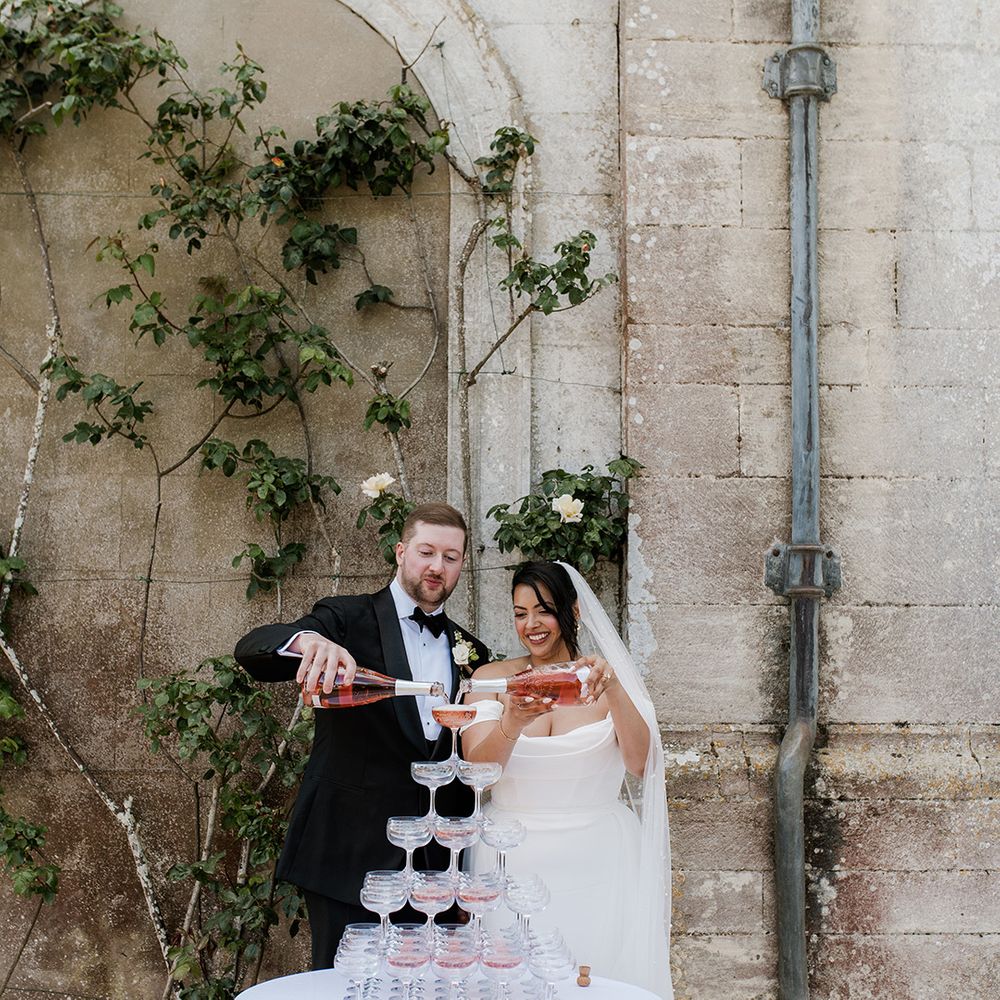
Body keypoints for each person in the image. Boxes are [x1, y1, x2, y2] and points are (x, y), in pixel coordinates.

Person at [234, 502, 490, 969]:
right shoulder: (345, 619)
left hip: (433, 874)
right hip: (348, 859)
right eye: (426, 552)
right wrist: (309, 642)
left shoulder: (472, 651)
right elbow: (254, 650)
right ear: (400, 552)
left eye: (450, 557)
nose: (437, 567)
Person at [462, 561, 672, 999]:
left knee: (598, 980)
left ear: (573, 611)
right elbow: (478, 775)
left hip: (600, 860)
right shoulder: (490, 680)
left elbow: (642, 764)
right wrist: (512, 722)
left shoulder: (608, 679)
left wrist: (614, 688)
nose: (531, 625)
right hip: (509, 860)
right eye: (520, 613)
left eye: (543, 610)